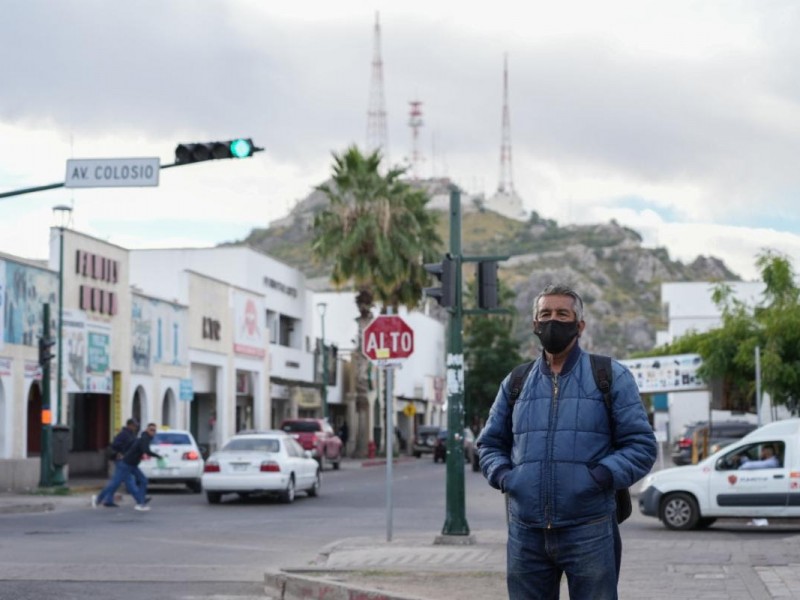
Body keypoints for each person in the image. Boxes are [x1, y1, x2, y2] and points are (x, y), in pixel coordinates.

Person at [477, 284, 657, 600]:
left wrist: (598, 477)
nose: (553, 321)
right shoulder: (516, 382)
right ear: (535, 325)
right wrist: (507, 477)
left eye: (563, 314)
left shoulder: (609, 375)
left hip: (590, 528)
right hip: (526, 531)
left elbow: (641, 445)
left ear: (580, 325)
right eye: (545, 314)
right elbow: (489, 444)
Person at [93, 418, 141, 508]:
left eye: (136, 426)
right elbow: (115, 445)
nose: (135, 427)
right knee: (122, 482)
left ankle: (107, 500)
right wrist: (121, 453)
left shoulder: (131, 435)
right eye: (134, 426)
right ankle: (99, 498)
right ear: (129, 425)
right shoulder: (123, 434)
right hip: (121, 460)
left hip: (126, 461)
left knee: (125, 481)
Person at [120, 423, 163, 511]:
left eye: (154, 430)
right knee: (139, 481)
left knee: (140, 481)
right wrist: (158, 456)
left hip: (131, 463)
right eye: (151, 429)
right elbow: (146, 451)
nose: (153, 432)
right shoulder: (145, 438)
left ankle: (141, 501)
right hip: (128, 463)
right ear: (147, 430)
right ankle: (140, 502)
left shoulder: (145, 438)